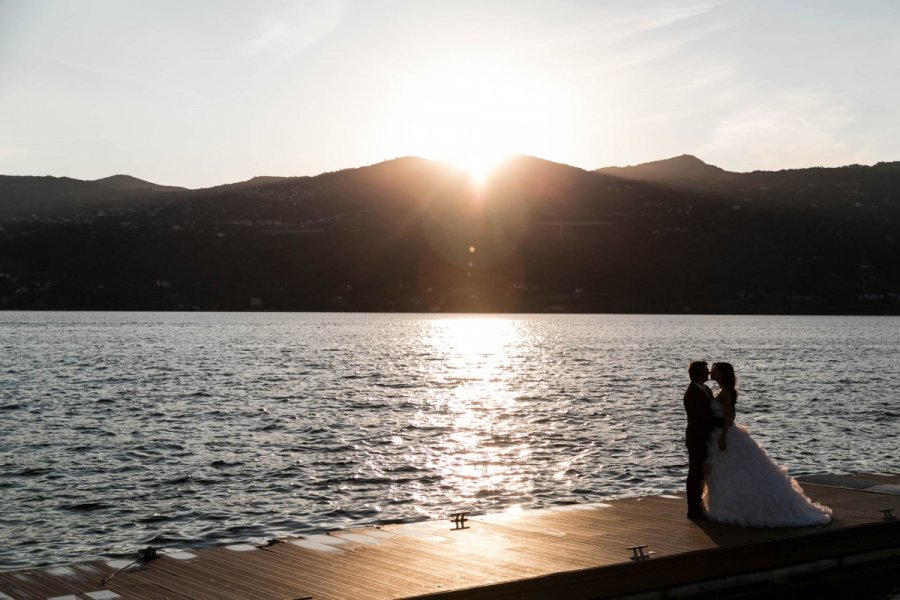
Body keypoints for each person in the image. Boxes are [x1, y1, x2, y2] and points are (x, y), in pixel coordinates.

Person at [702, 362, 832, 527]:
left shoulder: (725, 393)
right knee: (730, 473)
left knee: (734, 472)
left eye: (714, 370)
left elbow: (730, 417)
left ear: (720, 374)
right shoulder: (723, 391)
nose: (711, 372)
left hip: (724, 434)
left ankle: (742, 508)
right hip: (720, 434)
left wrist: (723, 437)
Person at [683, 360, 715, 519]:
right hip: (696, 438)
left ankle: (700, 504)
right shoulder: (691, 394)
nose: (708, 372)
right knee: (695, 472)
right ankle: (693, 508)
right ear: (698, 373)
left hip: (707, 438)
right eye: (706, 370)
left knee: (702, 473)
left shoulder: (706, 389)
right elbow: (700, 418)